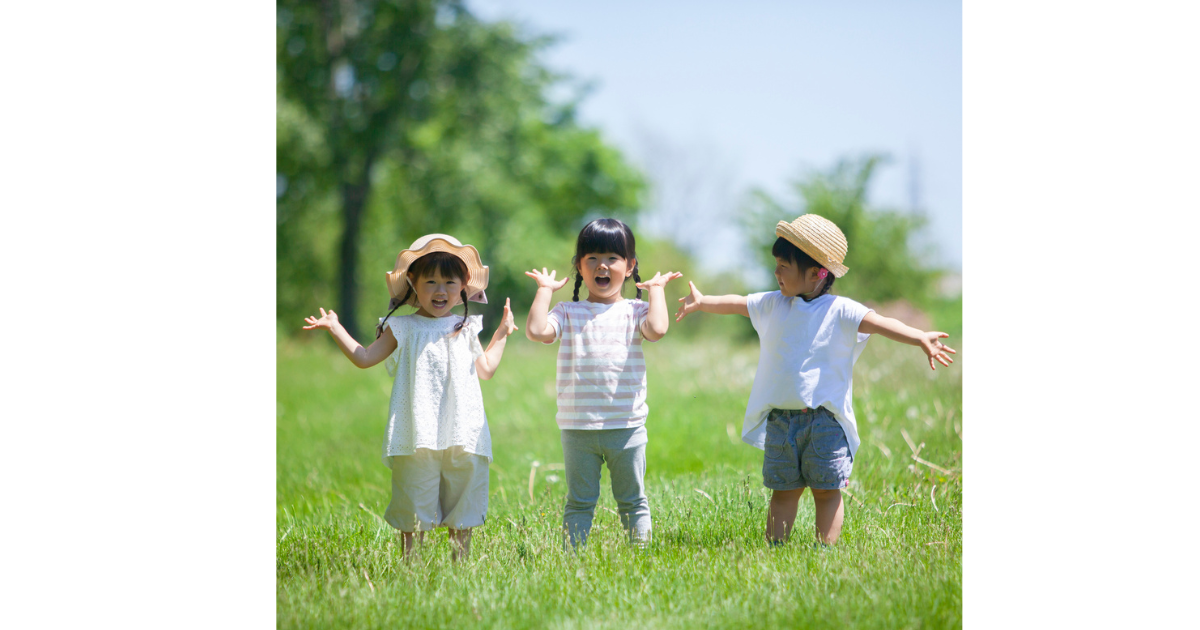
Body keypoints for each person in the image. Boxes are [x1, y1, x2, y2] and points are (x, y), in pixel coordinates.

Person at [674, 214, 955, 546]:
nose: (776, 272)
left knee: (826, 491)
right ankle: (776, 548)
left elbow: (880, 323)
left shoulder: (841, 310)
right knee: (783, 491)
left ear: (816, 274)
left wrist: (919, 336)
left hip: (824, 422)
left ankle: (825, 551)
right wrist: (704, 302)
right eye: (776, 264)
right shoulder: (774, 304)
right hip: (781, 421)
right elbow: (738, 303)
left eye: (784, 266)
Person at [302, 234, 518, 560]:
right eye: (430, 281)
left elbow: (486, 369)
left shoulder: (467, 326)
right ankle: (412, 569)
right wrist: (335, 328)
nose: (440, 289)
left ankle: (460, 568)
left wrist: (501, 333)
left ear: (463, 286)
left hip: (464, 430)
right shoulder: (403, 327)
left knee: (464, 504)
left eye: (449, 281)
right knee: (413, 505)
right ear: (413, 283)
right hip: (416, 432)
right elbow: (364, 357)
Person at [524, 218, 682, 548]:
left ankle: (639, 555)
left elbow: (658, 329)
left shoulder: (635, 310)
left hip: (626, 425)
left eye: (612, 258)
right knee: (579, 501)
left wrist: (656, 292)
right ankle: (572, 560)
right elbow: (538, 332)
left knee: (632, 500)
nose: (602, 266)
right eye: (592, 258)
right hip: (578, 427)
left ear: (630, 266)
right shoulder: (567, 311)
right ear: (580, 267)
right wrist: (543, 291)